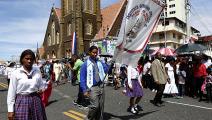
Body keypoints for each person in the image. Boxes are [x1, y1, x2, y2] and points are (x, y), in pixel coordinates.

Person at [7, 49, 48, 120]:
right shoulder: (16, 73)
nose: (29, 61)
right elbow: (11, 92)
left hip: (36, 100)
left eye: (31, 59)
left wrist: (42, 89)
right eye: (27, 58)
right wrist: (10, 110)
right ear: (22, 59)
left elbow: (41, 85)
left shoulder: (37, 70)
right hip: (22, 101)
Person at [80, 46, 108, 120]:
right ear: (89, 52)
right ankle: (89, 118)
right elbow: (82, 78)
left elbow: (106, 69)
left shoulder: (99, 62)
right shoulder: (85, 64)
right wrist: (84, 90)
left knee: (101, 106)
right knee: (95, 106)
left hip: (101, 86)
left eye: (96, 53)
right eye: (93, 52)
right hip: (92, 87)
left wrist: (104, 62)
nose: (95, 54)